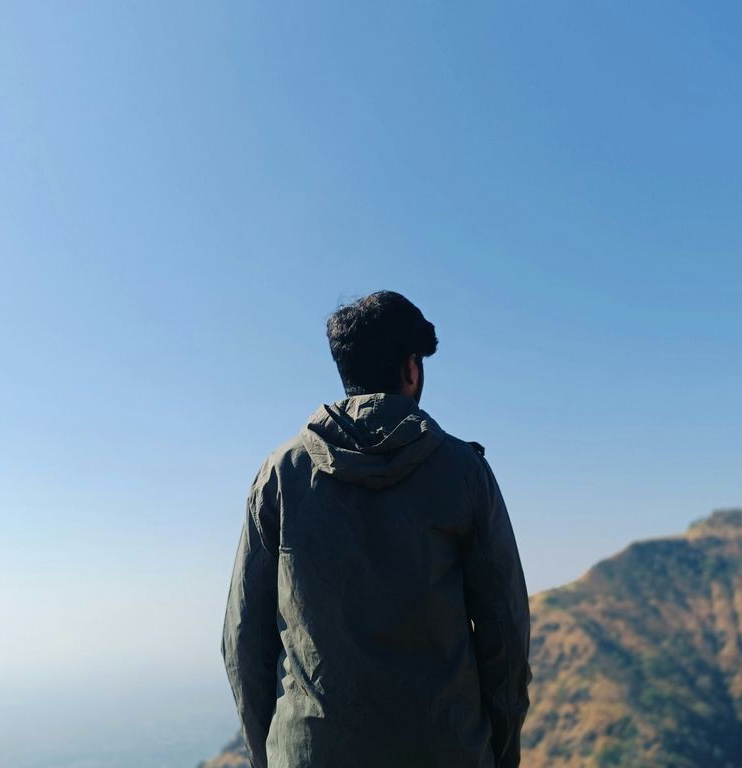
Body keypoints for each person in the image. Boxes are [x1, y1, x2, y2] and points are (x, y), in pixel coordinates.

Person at [221, 290, 532, 768]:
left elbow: (244, 640)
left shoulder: (280, 474)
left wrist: (274, 756)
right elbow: (505, 635)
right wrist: (499, 754)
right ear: (411, 369)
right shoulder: (463, 473)